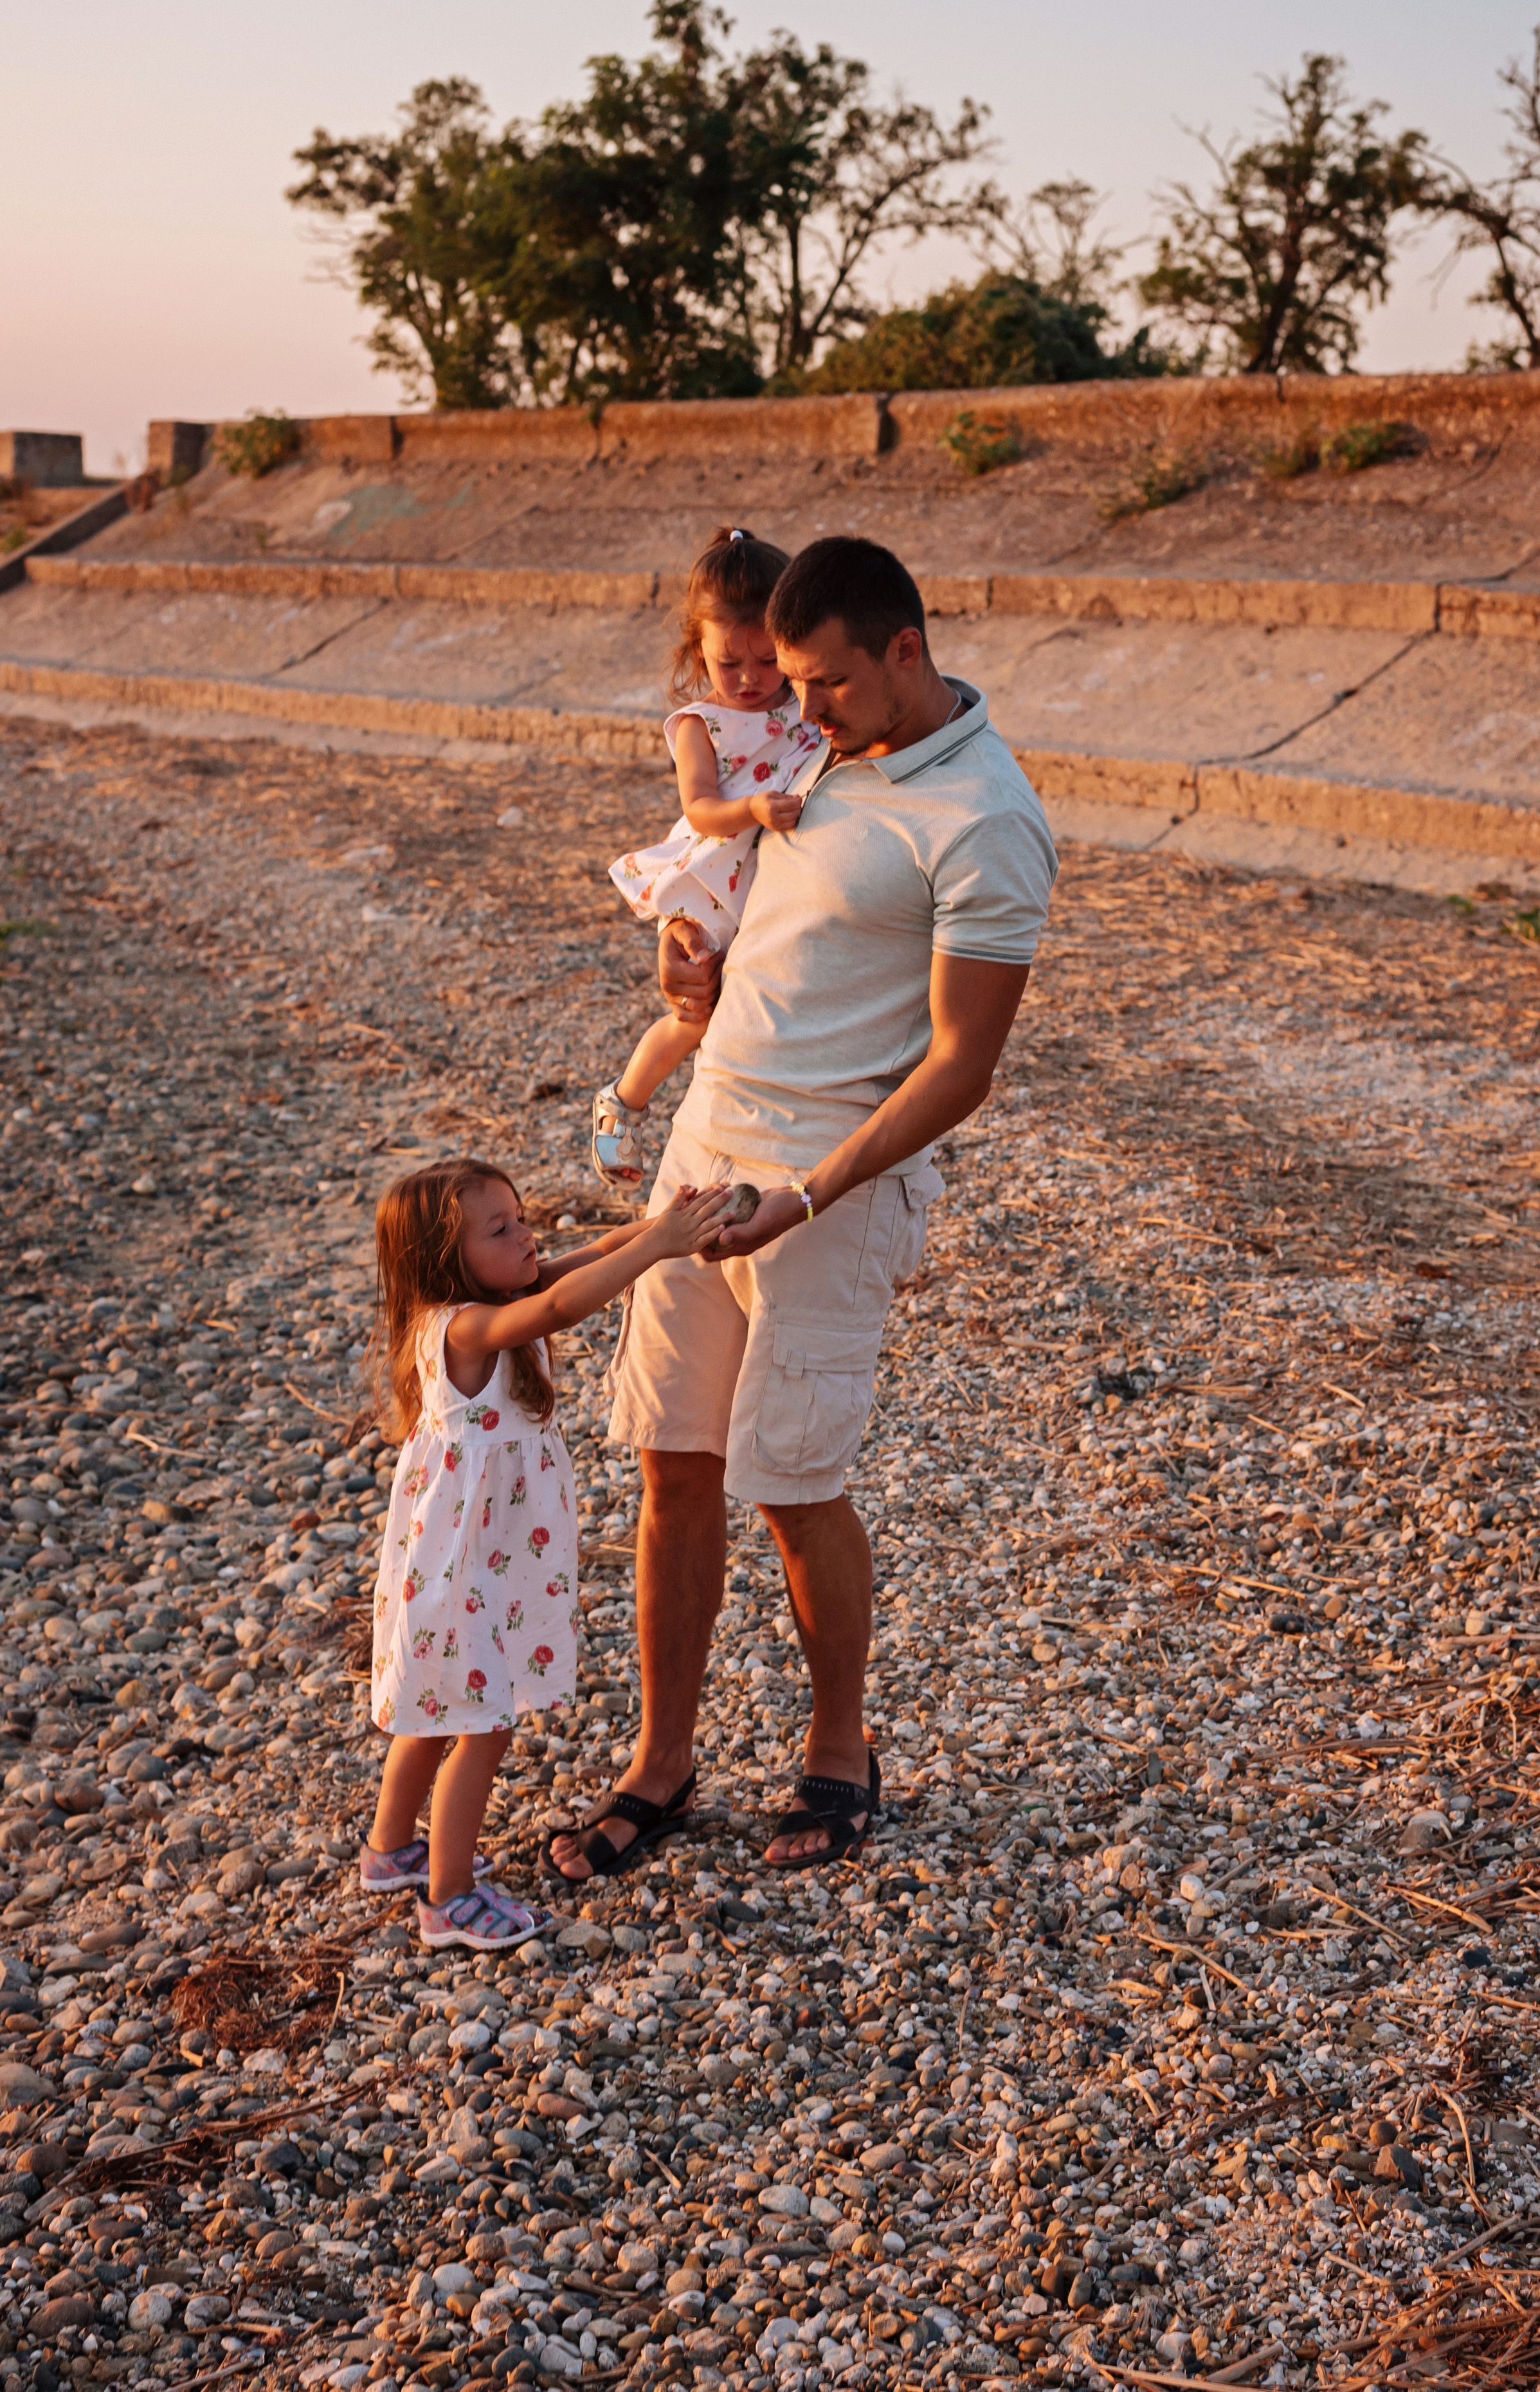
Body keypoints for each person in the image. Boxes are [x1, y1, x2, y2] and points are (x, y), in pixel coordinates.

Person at [547, 536, 1056, 1887]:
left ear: (906, 650)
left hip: (828, 1188)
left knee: (789, 1482)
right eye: (789, 680)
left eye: (826, 682)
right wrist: (688, 962)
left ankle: (841, 1749)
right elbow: (765, 915)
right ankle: (661, 1761)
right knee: (672, 1466)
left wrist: (807, 1193)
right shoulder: (816, 751)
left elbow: (962, 1066)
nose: (800, 708)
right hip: (703, 1144)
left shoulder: (987, 818)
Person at [359, 1154, 729, 1948]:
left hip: (470, 1558)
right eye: (501, 1230)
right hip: (463, 1564)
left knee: (434, 1706)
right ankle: (448, 1899)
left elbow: (593, 1255)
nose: (527, 1236)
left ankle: (389, 1849)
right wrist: (661, 1245)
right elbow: (563, 1305)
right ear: (444, 1260)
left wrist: (668, 1224)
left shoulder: (502, 1296)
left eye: (522, 1217)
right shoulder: (464, 1327)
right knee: (479, 1723)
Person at [592, 526, 819, 1188]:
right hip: (717, 875)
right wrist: (752, 809)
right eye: (729, 663)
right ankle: (622, 1102)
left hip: (766, 882)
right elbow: (698, 807)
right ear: (698, 651)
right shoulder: (700, 725)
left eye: (768, 660)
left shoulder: (805, 705)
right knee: (696, 1017)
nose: (750, 679)